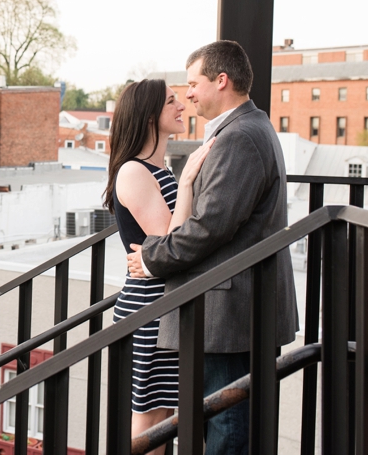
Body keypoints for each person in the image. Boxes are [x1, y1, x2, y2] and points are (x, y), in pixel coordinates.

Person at [126, 40, 299, 455]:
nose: (187, 94)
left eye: (192, 83)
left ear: (221, 81)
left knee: (228, 428)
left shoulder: (239, 137)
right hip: (234, 311)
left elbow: (209, 227)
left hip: (231, 315)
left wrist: (151, 260)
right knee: (227, 423)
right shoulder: (247, 129)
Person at [104, 79, 214, 453]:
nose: (182, 105)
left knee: (164, 420)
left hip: (163, 309)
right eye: (171, 101)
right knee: (150, 422)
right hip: (148, 312)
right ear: (150, 116)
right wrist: (186, 186)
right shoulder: (134, 171)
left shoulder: (156, 169)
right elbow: (170, 242)